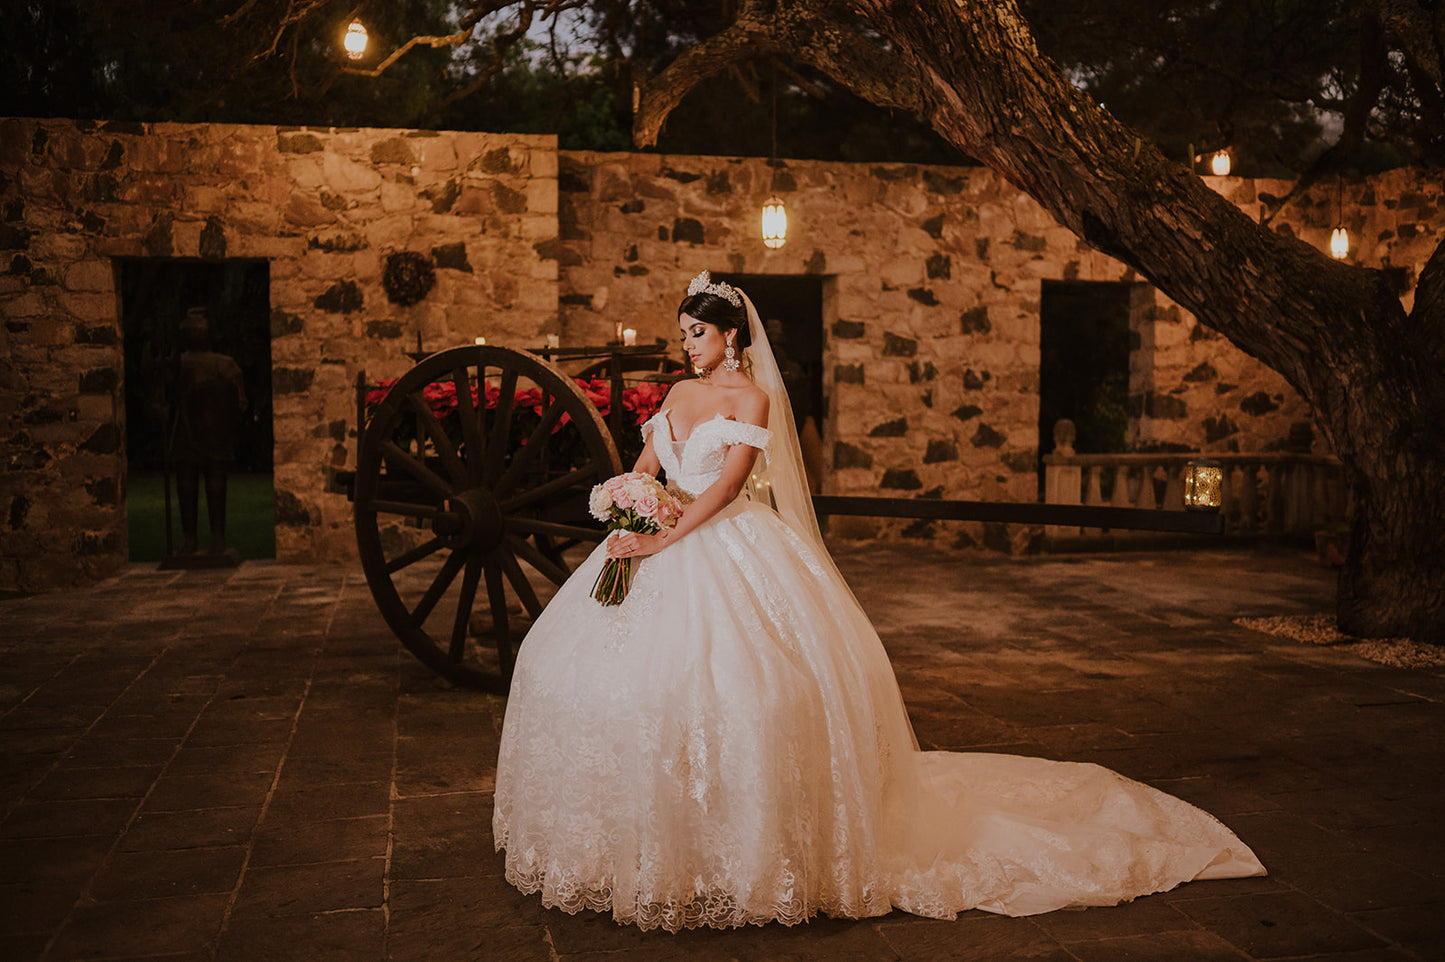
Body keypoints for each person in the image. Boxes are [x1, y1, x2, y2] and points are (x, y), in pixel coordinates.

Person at [492, 271, 1263, 933]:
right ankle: (637, 842)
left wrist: (667, 540)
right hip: (656, 536)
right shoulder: (676, 392)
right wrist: (634, 512)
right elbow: (647, 466)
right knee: (591, 676)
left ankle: (754, 852)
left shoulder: (752, 398)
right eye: (685, 332)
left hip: (724, 541)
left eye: (699, 332)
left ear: (732, 337)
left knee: (752, 689)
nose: (688, 343)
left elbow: (726, 488)